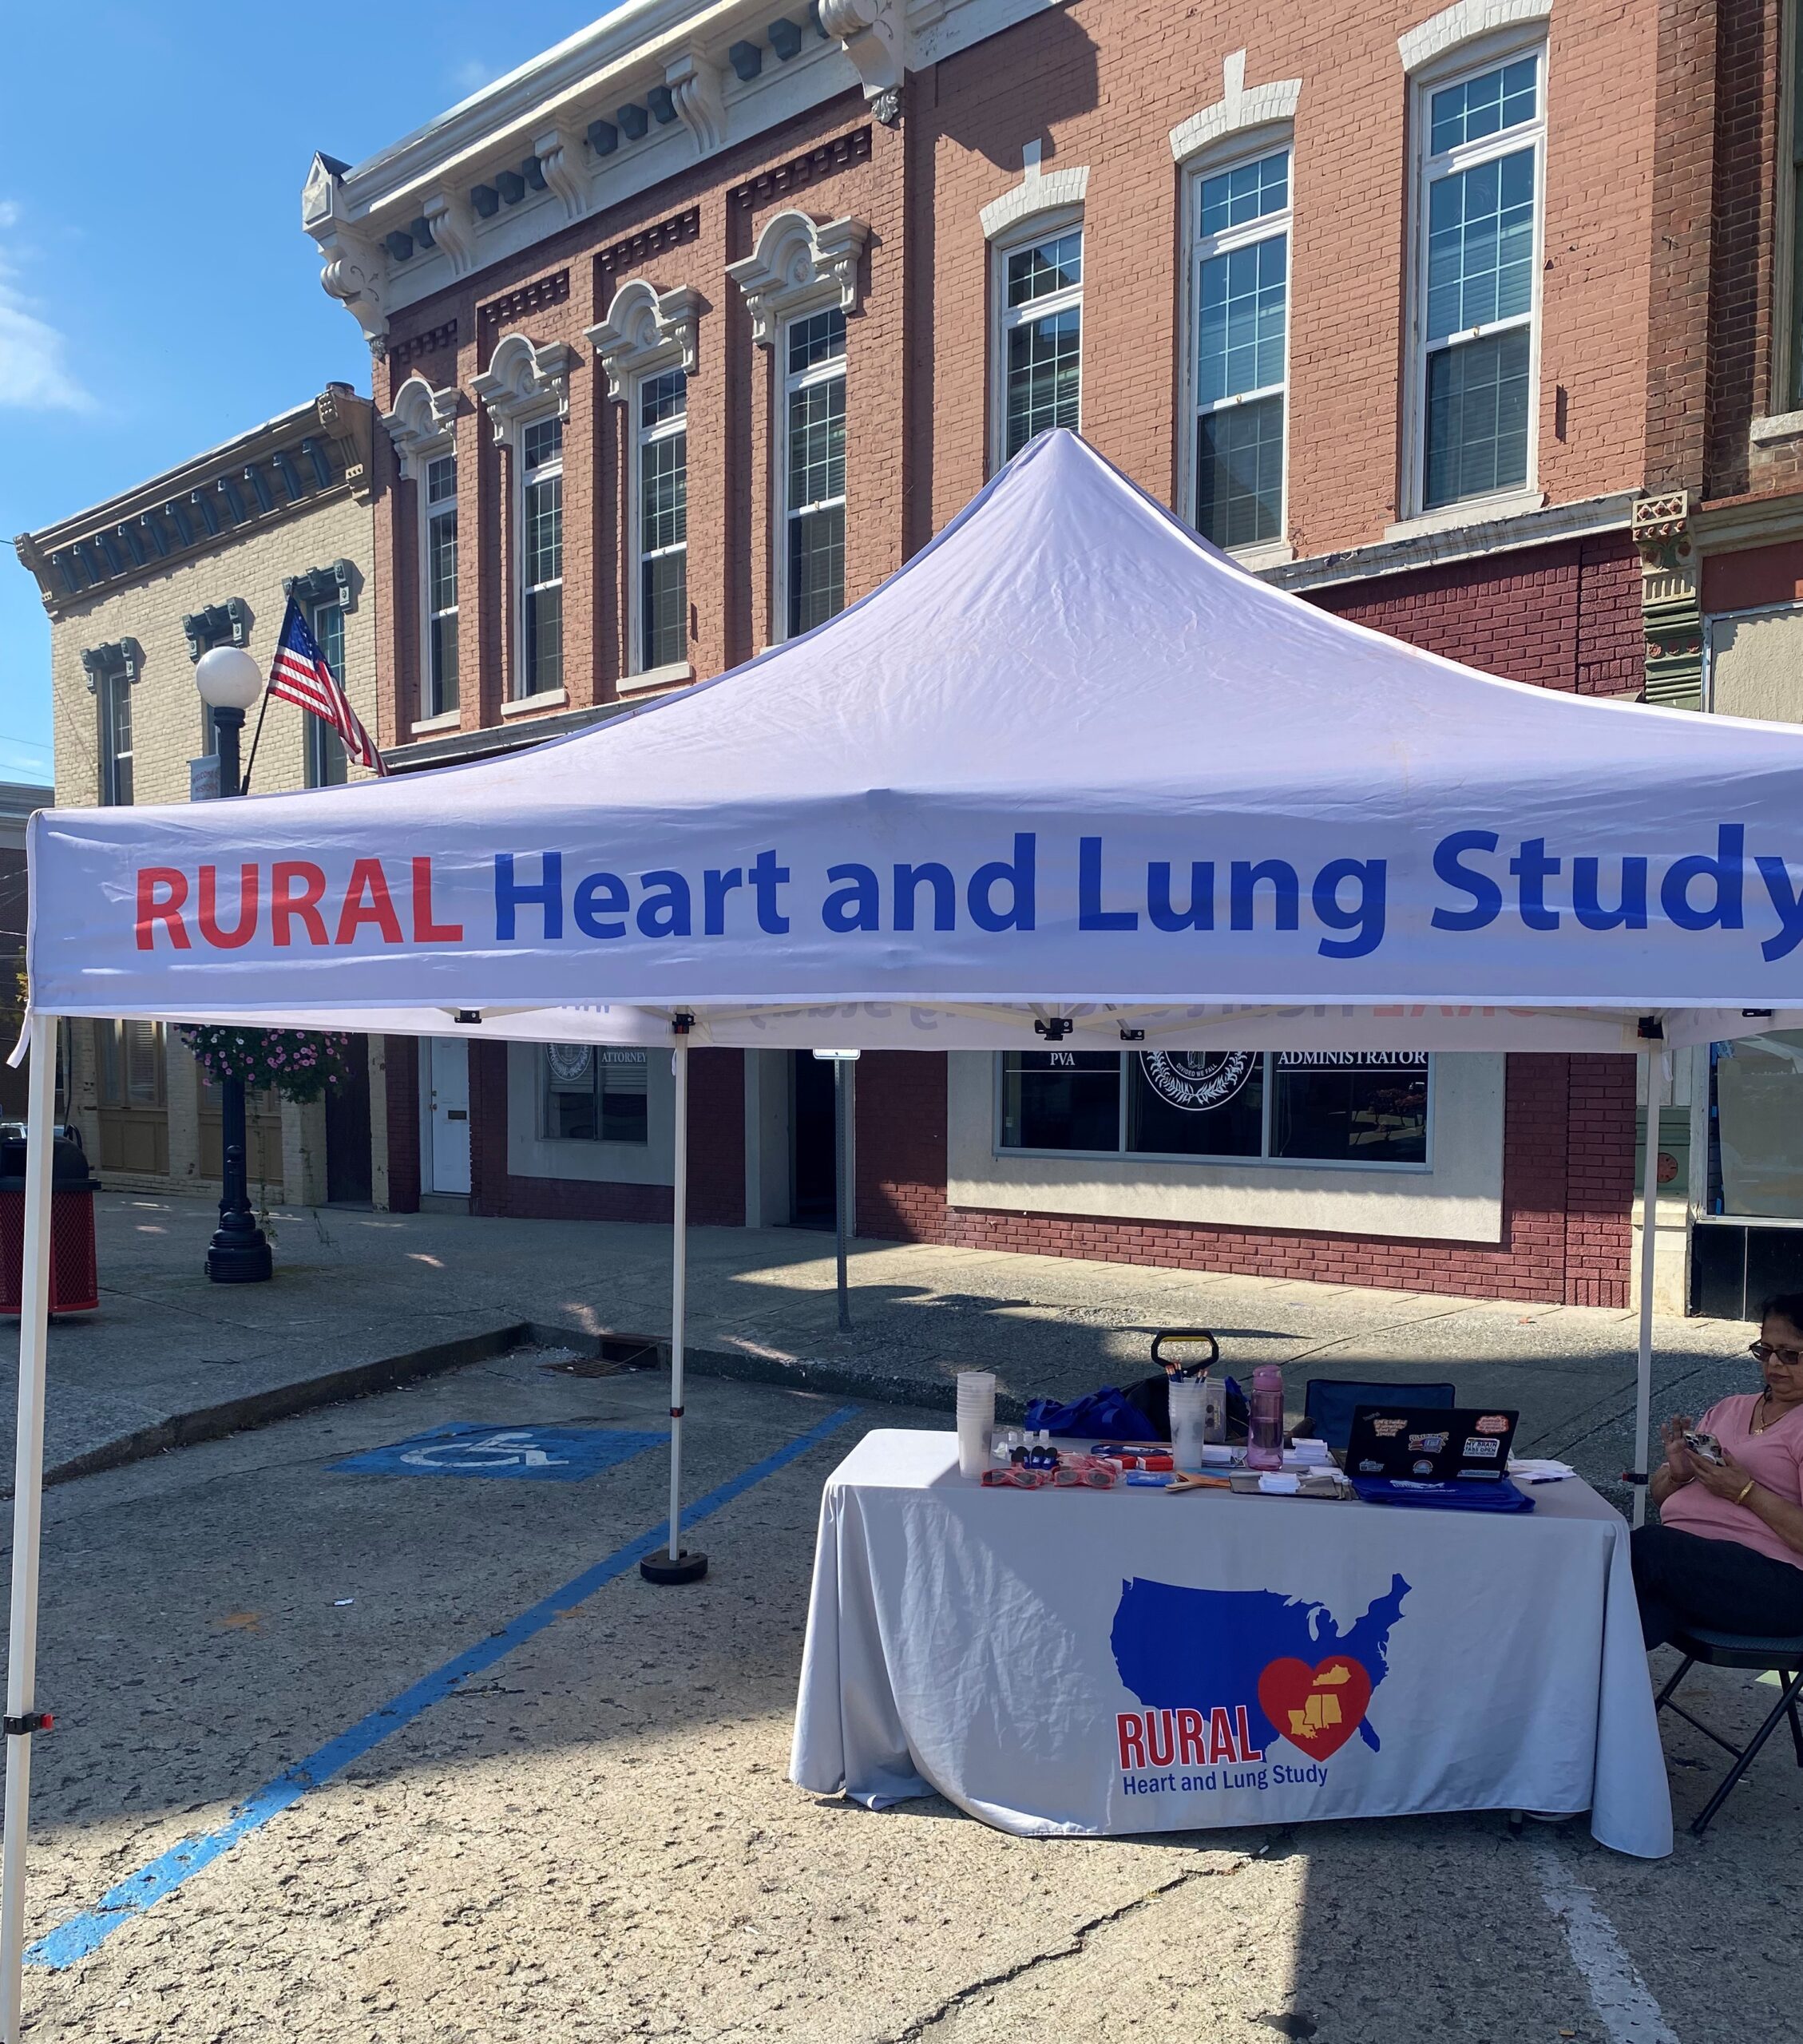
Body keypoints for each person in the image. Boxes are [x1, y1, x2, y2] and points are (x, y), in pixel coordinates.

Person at [1632, 1293, 1803, 1650]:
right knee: (1634, 1611)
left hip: (1776, 1583)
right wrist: (1678, 1474)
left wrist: (1746, 1492)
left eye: (1790, 1355)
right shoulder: (1729, 1408)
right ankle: (1597, 1698)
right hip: (1689, 1571)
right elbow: (1662, 1496)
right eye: (1765, 1351)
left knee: (1643, 1550)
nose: (1774, 1364)